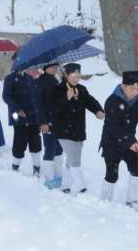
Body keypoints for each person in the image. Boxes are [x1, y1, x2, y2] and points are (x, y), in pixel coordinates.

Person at [99, 70, 138, 209]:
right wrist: (129, 142)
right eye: (132, 88)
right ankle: (104, 201)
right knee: (112, 174)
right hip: (111, 142)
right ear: (123, 86)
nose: (135, 91)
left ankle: (131, 201)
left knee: (137, 171)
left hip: (130, 143)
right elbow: (114, 126)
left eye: (137, 88)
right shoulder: (112, 101)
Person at [51, 62, 104, 193]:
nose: (76, 78)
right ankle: (81, 187)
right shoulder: (57, 90)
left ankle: (65, 186)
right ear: (66, 75)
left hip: (78, 129)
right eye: (73, 75)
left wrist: (98, 110)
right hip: (63, 130)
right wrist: (66, 98)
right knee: (74, 160)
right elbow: (54, 110)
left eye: (78, 75)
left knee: (72, 159)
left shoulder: (81, 89)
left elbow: (90, 101)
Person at [2, 67, 42, 176]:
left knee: (36, 142)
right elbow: (6, 96)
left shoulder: (30, 78)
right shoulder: (10, 78)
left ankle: (37, 168)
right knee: (20, 142)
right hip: (20, 117)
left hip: (33, 116)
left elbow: (35, 96)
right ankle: (15, 167)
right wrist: (17, 109)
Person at [35, 61, 65, 190]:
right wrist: (42, 122)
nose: (55, 69)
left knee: (59, 148)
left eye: (56, 67)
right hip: (47, 121)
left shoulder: (56, 81)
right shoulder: (39, 82)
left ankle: (58, 177)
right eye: (52, 67)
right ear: (45, 68)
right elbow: (38, 104)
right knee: (50, 148)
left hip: (58, 120)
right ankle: (49, 179)